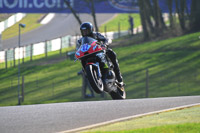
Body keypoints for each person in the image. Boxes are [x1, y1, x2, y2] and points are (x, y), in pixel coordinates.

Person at [76, 22, 125, 90]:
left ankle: (119, 79)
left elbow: (105, 39)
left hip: (99, 52)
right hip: (87, 56)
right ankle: (92, 78)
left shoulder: (96, 35)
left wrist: (104, 44)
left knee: (112, 53)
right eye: (83, 31)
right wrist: (77, 54)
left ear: (91, 30)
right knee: (82, 68)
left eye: (86, 30)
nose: (85, 32)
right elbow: (78, 49)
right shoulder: (80, 41)